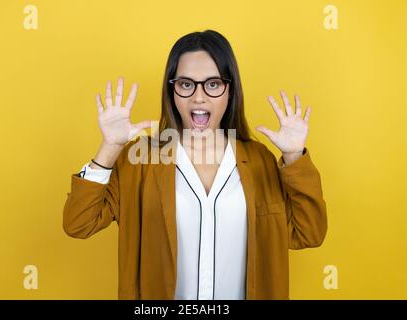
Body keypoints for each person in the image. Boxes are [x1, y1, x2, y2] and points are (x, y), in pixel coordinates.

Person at [63, 29, 327, 300]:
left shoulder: (260, 160)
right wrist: (110, 148)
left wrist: (295, 156)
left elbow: (309, 233)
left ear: (230, 90)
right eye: (186, 84)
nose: (198, 97)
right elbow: (78, 223)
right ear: (172, 90)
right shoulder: (141, 159)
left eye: (212, 84)